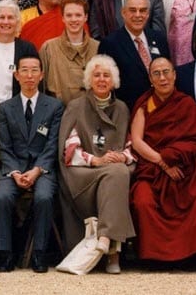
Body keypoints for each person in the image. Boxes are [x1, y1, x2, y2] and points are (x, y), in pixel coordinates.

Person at [129, 56, 196, 262]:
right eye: (156, 74)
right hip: (153, 170)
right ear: (150, 79)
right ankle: (153, 256)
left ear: (175, 75)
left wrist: (174, 157)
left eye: (166, 72)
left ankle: (191, 255)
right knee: (142, 199)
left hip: (186, 171)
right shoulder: (146, 104)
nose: (162, 78)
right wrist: (163, 161)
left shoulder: (186, 104)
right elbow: (137, 141)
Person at [57, 54, 135, 274]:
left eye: (106, 75)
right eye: (97, 75)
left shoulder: (122, 108)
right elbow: (69, 149)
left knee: (118, 172)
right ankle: (112, 252)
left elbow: (130, 145)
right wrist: (97, 160)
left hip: (113, 170)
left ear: (114, 81)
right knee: (116, 175)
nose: (101, 79)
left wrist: (122, 156)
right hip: (82, 173)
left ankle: (105, 239)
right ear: (89, 80)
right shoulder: (76, 106)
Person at [0, 55, 64, 272]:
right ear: (16, 75)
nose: (29, 76)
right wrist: (14, 172)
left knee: (43, 197)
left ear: (42, 75)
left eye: (35, 70)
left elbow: (53, 145)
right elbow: (4, 146)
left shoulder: (54, 106)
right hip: (13, 168)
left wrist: (36, 171)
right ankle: (5, 254)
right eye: (24, 70)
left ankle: (39, 254)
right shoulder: (5, 108)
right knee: (2, 197)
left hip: (43, 169)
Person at [97, 0, 170, 108]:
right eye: (132, 10)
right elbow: (107, 85)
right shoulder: (110, 44)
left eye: (142, 10)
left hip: (161, 108)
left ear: (148, 14)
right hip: (129, 111)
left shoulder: (159, 38)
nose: (138, 15)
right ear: (123, 13)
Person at [38, 0, 98, 104]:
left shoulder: (98, 48)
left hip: (90, 117)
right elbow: (40, 89)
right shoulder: (48, 48)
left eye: (78, 15)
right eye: (69, 15)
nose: (73, 19)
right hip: (59, 117)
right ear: (63, 18)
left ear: (86, 17)